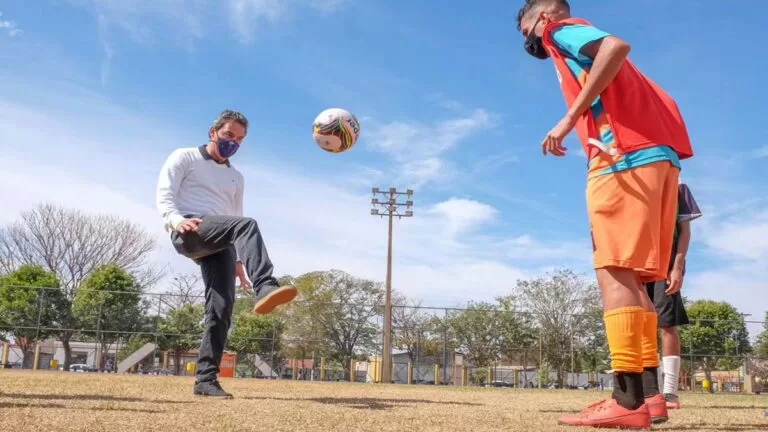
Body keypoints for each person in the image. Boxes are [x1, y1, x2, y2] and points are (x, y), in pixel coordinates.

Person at [516, 0, 694, 428]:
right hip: (657, 158)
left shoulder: (559, 31)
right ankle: (649, 398)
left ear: (540, 18)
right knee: (634, 277)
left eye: (521, 23)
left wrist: (568, 119)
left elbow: (615, 46)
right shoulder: (617, 74)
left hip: (620, 157)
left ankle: (626, 399)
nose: (522, 34)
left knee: (613, 270)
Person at [156, 109, 297, 398]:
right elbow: (164, 193)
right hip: (190, 229)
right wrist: (175, 219)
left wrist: (237, 262)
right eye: (228, 135)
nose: (233, 142)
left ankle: (205, 381)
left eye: (240, 139)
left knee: (221, 309)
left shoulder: (236, 177)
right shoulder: (184, 157)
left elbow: (235, 218)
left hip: (221, 238)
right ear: (213, 132)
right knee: (248, 225)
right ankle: (266, 286)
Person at [646, 182, 702, 409]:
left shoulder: (678, 188)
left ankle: (669, 392)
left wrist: (677, 267)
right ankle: (648, 389)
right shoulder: (637, 182)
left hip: (665, 263)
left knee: (667, 324)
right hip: (637, 261)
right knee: (641, 325)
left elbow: (685, 232)